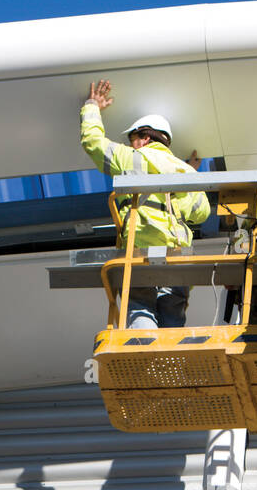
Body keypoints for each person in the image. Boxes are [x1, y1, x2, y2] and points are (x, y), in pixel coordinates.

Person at [80, 79, 209, 329]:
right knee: (172, 317)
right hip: (178, 259)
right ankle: (169, 366)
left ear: (145, 139)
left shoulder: (133, 158)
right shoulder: (185, 171)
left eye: (133, 139)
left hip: (139, 254)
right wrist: (191, 177)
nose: (131, 144)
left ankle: (143, 360)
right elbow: (201, 213)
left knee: (140, 309)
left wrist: (91, 106)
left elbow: (93, 144)